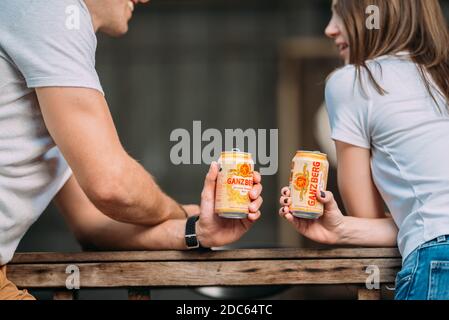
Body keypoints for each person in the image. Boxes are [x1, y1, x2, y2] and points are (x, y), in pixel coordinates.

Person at [0, 0, 263, 300]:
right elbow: (113, 186)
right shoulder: (51, 9)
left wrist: (195, 229)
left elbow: (91, 222)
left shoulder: (44, 44)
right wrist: (177, 211)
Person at [280, 0, 449, 300]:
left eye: (341, 12)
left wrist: (348, 227)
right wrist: (341, 229)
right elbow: (428, 220)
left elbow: (372, 219)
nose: (329, 29)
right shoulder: (442, 76)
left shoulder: (352, 82)